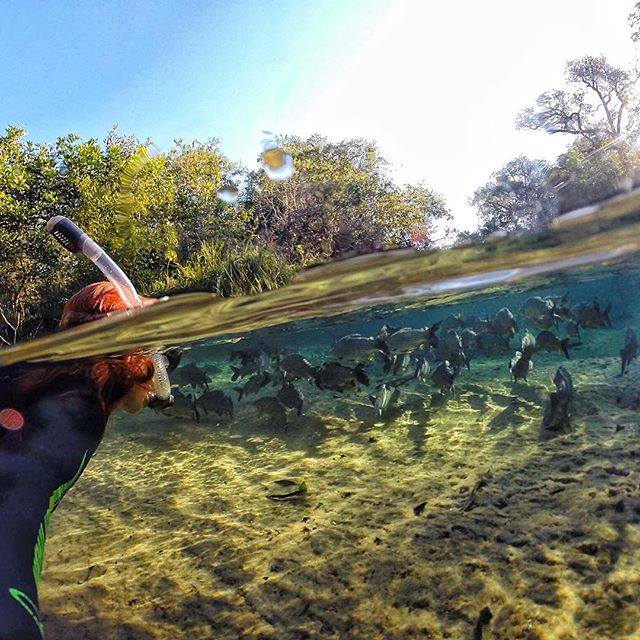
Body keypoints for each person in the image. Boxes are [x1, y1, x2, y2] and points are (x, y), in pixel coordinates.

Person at [0, 281, 176, 640]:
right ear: (129, 358)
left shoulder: (43, 379)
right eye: (153, 355)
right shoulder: (74, 415)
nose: (158, 368)